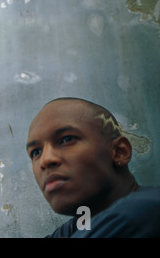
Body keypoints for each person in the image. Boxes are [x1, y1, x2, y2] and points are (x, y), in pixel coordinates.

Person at [25, 97, 160, 237]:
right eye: (36, 152)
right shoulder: (82, 223)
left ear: (120, 152)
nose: (45, 160)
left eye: (67, 139)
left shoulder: (136, 215)